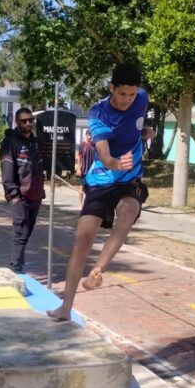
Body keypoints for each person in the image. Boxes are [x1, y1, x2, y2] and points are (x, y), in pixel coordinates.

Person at [48, 63, 150, 321]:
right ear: (111, 88)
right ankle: (65, 307)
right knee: (82, 240)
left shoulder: (142, 98)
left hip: (129, 179)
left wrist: (147, 132)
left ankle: (97, 271)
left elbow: (137, 124)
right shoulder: (98, 113)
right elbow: (104, 156)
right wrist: (117, 163)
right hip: (102, 178)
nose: (127, 99)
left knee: (129, 210)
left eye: (132, 94)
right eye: (122, 93)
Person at [0, 107, 47, 273]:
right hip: (19, 196)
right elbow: (7, 171)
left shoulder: (34, 142)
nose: (28, 123)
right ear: (16, 122)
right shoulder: (10, 142)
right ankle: (16, 268)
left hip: (35, 195)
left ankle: (18, 263)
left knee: (27, 231)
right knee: (20, 231)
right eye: (23, 121)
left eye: (30, 120)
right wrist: (13, 194)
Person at [75, 128, 96, 206]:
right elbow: (79, 157)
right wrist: (78, 168)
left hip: (92, 170)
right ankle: (80, 204)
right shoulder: (82, 145)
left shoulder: (94, 145)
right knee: (82, 186)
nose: (90, 137)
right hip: (84, 169)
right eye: (88, 135)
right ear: (85, 135)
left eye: (91, 135)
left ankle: (88, 203)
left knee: (91, 187)